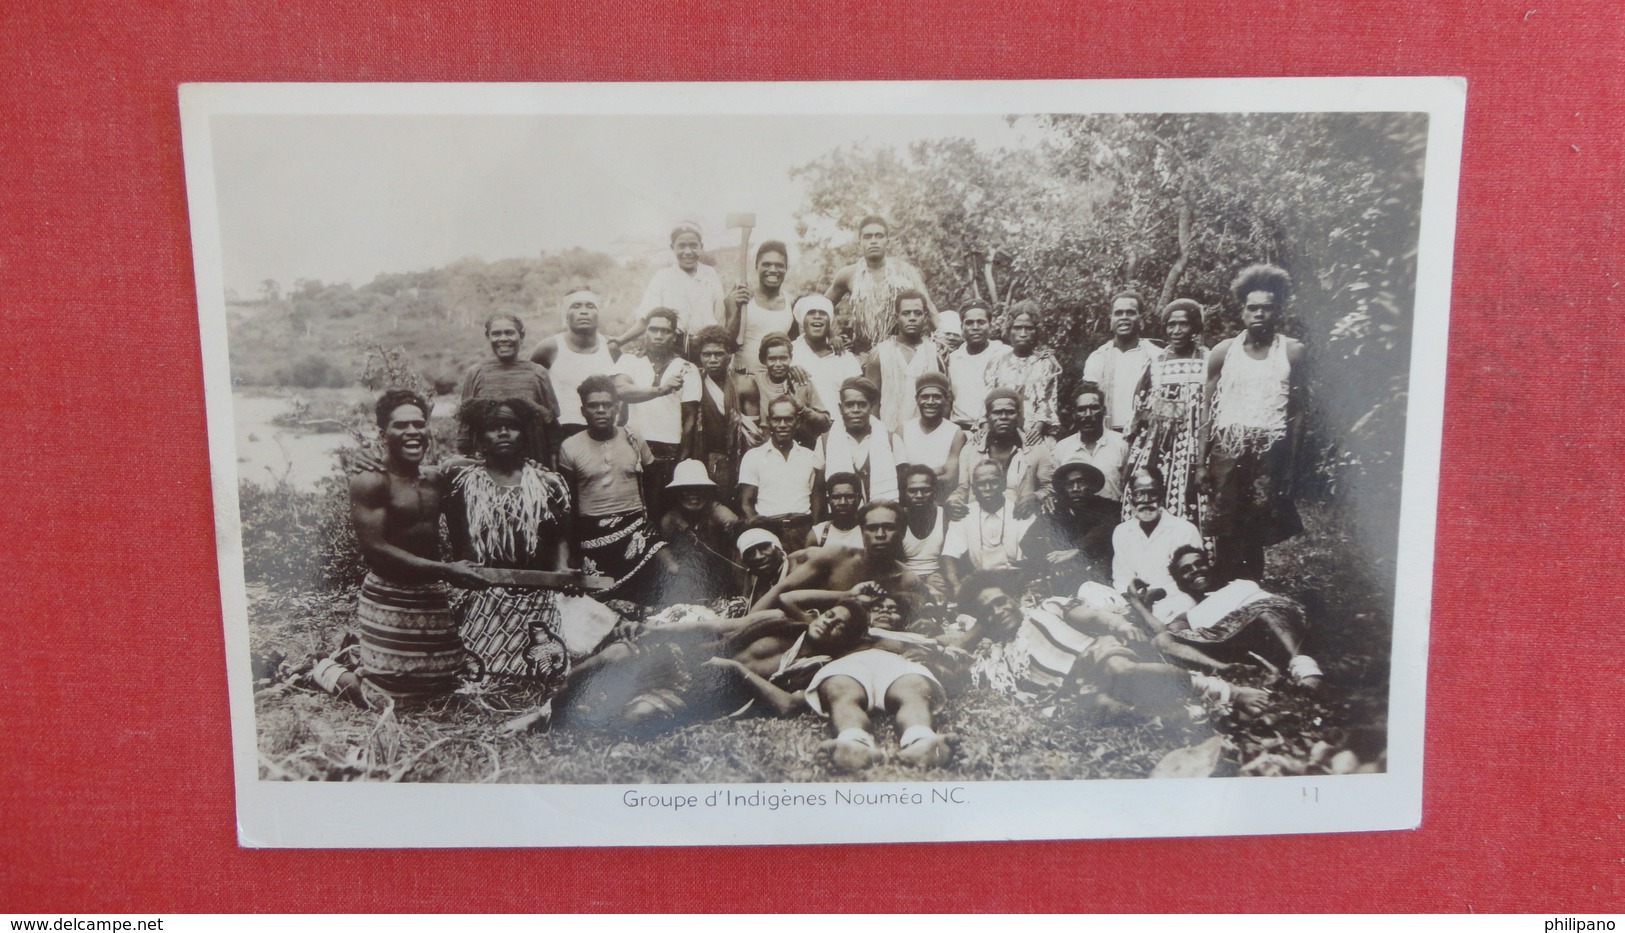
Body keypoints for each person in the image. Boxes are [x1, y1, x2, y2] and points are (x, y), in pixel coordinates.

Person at [951, 571, 1267, 721]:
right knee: (1106, 709)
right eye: (987, 612)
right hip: (1069, 691)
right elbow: (948, 651)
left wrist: (1121, 625)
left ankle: (1224, 691)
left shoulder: (1045, 607)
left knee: (1123, 671)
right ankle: (1174, 715)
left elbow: (1093, 615)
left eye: (1000, 602)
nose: (997, 611)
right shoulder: (995, 657)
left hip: (1096, 656)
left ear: (1012, 599)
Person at [340, 390, 491, 702]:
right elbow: (376, 548)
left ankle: (358, 654)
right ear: (383, 435)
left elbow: (465, 539)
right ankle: (326, 670)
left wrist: (470, 568)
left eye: (419, 424)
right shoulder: (370, 481)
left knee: (445, 688)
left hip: (431, 595)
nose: (412, 432)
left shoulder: (438, 479)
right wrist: (447, 570)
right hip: (389, 593)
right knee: (387, 697)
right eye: (401, 426)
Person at [561, 593, 871, 736]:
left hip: (706, 693)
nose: (828, 624)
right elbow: (716, 628)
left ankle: (595, 714)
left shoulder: (820, 668)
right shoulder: (778, 621)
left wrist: (737, 670)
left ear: (846, 640)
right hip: (687, 659)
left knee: (635, 719)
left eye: (839, 626)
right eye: (830, 615)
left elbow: (789, 706)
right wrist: (657, 630)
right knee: (612, 657)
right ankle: (544, 711)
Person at [444, 397, 576, 704]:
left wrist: (562, 570)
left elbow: (559, 538)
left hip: (535, 598)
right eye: (493, 428)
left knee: (548, 673)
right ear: (479, 437)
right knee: (477, 678)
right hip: (481, 594)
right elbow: (413, 478)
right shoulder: (460, 481)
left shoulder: (548, 483)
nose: (504, 433)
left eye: (512, 427)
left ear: (525, 434)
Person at [1205, 263, 1306, 580]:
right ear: (1242, 311)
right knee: (1224, 520)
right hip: (1227, 448)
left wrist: (1290, 465)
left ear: (1277, 311)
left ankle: (1251, 587)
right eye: (1253, 308)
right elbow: (1206, 410)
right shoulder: (1224, 351)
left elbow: (1299, 411)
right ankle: (1223, 583)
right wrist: (1198, 463)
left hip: (1268, 449)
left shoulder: (1291, 352)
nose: (1259, 314)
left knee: (1257, 521)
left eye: (1267, 308)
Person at [557, 375, 677, 602]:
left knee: (670, 569)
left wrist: (652, 516)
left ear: (616, 408)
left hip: (635, 528)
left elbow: (653, 479)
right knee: (604, 599)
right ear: (583, 411)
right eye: (593, 406)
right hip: (592, 533)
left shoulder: (633, 438)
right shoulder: (570, 447)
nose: (601, 410)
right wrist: (573, 549)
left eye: (607, 405)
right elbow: (568, 501)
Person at [1143, 545, 1324, 689]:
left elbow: (1276, 605)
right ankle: (1229, 671)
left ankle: (1304, 669)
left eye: (1199, 564)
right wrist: (1140, 604)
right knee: (1161, 640)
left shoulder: (1240, 584)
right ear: (1180, 582)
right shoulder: (1188, 615)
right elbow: (1165, 634)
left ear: (1209, 566)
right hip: (1232, 644)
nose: (1196, 570)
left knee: (1264, 610)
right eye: (1187, 569)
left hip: (1273, 621)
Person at [1122, 298, 1210, 525]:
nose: (1176, 331)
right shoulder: (1156, 363)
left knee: (1190, 499)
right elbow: (1139, 410)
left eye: (1183, 324)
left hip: (1193, 446)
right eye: (1171, 325)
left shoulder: (1208, 361)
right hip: (1155, 447)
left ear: (1195, 328)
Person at [752, 500, 928, 613]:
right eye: (872, 528)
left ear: (903, 532)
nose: (880, 535)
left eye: (889, 527)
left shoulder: (908, 581)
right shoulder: (836, 556)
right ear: (862, 531)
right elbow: (780, 590)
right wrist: (746, 621)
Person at [613, 307, 700, 521]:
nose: (659, 336)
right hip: (631, 445)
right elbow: (620, 390)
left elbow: (690, 419)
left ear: (674, 335)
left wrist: (682, 459)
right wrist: (661, 390)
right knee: (631, 510)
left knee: (661, 512)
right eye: (653, 330)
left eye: (665, 331)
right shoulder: (629, 361)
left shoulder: (687, 368)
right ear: (645, 332)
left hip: (668, 449)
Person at [458, 308, 560, 464]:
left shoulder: (538, 373)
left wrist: (553, 463)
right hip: (486, 465)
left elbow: (551, 424)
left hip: (532, 462)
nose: (503, 339)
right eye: (496, 334)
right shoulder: (475, 373)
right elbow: (465, 428)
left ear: (522, 336)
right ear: (488, 337)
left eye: (509, 332)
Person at [824, 214, 937, 354]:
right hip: (863, 353)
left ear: (887, 240)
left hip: (901, 350)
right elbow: (820, 307)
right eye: (868, 237)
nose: (873, 241)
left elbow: (929, 308)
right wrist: (832, 335)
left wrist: (943, 340)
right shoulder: (848, 274)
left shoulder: (904, 271)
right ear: (860, 242)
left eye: (879, 236)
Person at [1111, 467, 1205, 623]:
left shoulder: (1185, 530)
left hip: (1172, 599)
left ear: (1162, 497)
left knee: (1185, 605)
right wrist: (1131, 595)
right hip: (1133, 600)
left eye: (1152, 493)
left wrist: (1158, 592)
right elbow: (1121, 577)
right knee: (1090, 591)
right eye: (1139, 494)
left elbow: (1192, 580)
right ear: (1131, 499)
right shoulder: (1121, 531)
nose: (1146, 500)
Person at [616, 221, 728, 351]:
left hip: (705, 347)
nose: (687, 252)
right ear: (672, 247)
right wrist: (621, 340)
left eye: (693, 246)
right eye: (681, 246)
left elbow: (720, 317)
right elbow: (646, 317)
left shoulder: (710, 273)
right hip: (672, 347)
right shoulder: (663, 276)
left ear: (701, 246)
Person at [1022, 382, 1130, 513]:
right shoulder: (1061, 449)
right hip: (1074, 523)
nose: (1088, 414)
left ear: (1104, 410)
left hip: (1111, 519)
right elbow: (1052, 487)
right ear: (1074, 413)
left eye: (1094, 407)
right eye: (1081, 409)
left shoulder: (1122, 444)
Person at [530, 287, 619, 443]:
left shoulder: (611, 348)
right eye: (576, 306)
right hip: (559, 434)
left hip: (603, 433)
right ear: (566, 315)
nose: (584, 312)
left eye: (590, 306)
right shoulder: (549, 347)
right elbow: (530, 387)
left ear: (598, 313)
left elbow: (621, 391)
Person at [737, 396, 823, 552]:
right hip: (769, 530)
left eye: (788, 419)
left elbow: (817, 499)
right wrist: (761, 533)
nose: (782, 425)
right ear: (769, 422)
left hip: (803, 529)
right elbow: (746, 503)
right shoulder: (754, 457)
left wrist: (814, 532)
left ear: (797, 422)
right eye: (777, 420)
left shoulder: (810, 457)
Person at [1019, 462, 1118, 595]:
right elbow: (1028, 541)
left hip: (1099, 574)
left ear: (1091, 486)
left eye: (1081, 483)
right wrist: (1055, 560)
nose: (1075, 488)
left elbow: (1107, 528)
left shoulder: (1108, 507)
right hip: (1063, 577)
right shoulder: (1056, 509)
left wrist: (1077, 549)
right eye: (1069, 484)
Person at [657, 460, 745, 606]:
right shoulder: (670, 520)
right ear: (677, 493)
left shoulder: (717, 511)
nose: (693, 495)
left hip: (721, 578)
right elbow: (662, 548)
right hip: (687, 578)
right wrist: (673, 566)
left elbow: (740, 534)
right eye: (686, 489)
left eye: (699, 489)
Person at [947, 388, 1042, 519]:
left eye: (1010, 412)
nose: (1003, 417)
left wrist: (1035, 496)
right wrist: (953, 501)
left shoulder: (1035, 447)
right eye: (997, 413)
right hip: (980, 521)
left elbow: (1051, 487)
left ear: (1019, 415)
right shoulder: (971, 449)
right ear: (987, 417)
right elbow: (963, 487)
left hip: (1020, 521)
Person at [1082, 288, 1167, 433]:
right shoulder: (1098, 358)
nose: (1124, 317)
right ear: (1111, 320)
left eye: (1130, 313)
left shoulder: (1157, 356)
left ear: (1141, 318)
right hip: (1107, 435)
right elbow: (1088, 403)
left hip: (1146, 434)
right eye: (1118, 313)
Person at [863, 289, 944, 432]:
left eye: (917, 313)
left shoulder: (935, 353)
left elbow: (944, 401)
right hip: (889, 434)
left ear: (925, 317)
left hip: (927, 437)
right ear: (896, 317)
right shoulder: (879, 354)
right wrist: (878, 437)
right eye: (906, 313)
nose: (912, 318)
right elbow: (871, 402)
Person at [982, 301, 1062, 444]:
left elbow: (1048, 400)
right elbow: (987, 399)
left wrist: (1037, 429)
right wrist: (985, 427)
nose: (1023, 334)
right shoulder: (996, 362)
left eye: (1028, 328)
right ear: (1009, 330)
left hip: (1035, 433)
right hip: (1000, 433)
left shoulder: (1046, 362)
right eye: (1017, 328)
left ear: (1036, 331)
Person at [815, 377, 900, 503]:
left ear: (871, 407)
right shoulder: (825, 441)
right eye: (849, 405)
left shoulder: (891, 440)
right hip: (843, 517)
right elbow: (819, 489)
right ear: (840, 408)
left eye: (862, 404)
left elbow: (902, 486)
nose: (856, 410)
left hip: (881, 516)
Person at [689, 325, 751, 499]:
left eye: (718, 354)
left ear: (729, 355)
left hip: (738, 459)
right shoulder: (693, 382)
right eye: (706, 355)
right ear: (699, 356)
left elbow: (753, 434)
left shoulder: (744, 383)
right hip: (703, 458)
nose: (712, 359)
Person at [737, 332, 830, 447]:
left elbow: (825, 423)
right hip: (764, 449)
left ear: (790, 358)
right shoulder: (754, 382)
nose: (778, 364)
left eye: (783, 358)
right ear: (763, 360)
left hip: (798, 447)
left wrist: (802, 409)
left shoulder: (801, 382)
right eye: (772, 359)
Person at [942, 459, 1034, 573]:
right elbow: (949, 556)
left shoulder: (1021, 511)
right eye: (981, 484)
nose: (987, 489)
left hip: (1015, 577)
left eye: (994, 482)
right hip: (979, 580)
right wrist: (956, 587)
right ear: (973, 489)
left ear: (1004, 483)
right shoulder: (963, 514)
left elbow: (1032, 559)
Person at [895, 371, 966, 503]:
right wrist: (938, 470)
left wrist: (912, 472)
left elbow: (950, 479)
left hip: (940, 502)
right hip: (908, 503)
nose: (930, 402)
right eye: (925, 397)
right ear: (917, 399)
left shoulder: (956, 433)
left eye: (937, 397)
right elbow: (899, 477)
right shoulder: (903, 430)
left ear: (946, 399)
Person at [789, 294, 862, 416]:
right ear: (803, 320)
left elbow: (857, 395)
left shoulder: (845, 357)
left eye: (823, 313)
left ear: (829, 321)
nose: (817, 317)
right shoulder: (790, 352)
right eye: (811, 313)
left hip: (837, 427)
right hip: (799, 427)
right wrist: (787, 370)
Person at [729, 241, 793, 377]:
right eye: (767, 264)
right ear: (757, 266)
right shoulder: (742, 296)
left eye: (779, 265)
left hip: (776, 381)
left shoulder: (790, 302)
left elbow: (795, 343)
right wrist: (737, 309)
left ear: (786, 268)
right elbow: (727, 343)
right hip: (742, 378)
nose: (773, 270)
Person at [945, 302, 1011, 431]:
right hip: (960, 429)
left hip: (995, 430)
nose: (975, 327)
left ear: (990, 326)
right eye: (969, 323)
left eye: (981, 322)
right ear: (962, 327)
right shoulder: (952, 359)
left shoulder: (1004, 354)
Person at [897, 465, 953, 601]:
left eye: (925, 490)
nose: (919, 496)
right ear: (904, 493)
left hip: (937, 575)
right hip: (906, 577)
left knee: (941, 592)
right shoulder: (897, 518)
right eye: (912, 491)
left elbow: (950, 558)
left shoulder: (945, 515)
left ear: (935, 491)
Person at [810, 471, 866, 550]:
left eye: (849, 496)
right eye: (836, 497)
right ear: (828, 500)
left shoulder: (868, 532)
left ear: (858, 499)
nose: (843, 502)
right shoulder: (817, 534)